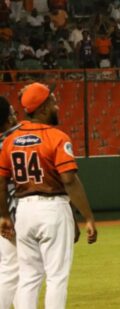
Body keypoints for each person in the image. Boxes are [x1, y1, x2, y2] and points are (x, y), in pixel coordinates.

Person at [0, 82, 98, 309]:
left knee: (28, 277)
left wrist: (4, 215)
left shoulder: (11, 140)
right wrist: (88, 217)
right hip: (52, 207)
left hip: (23, 211)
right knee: (56, 277)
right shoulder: (56, 136)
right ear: (42, 108)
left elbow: (2, 182)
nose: (57, 106)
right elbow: (69, 180)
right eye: (53, 102)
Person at [0, 96, 19, 309]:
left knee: (10, 269)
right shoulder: (9, 143)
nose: (16, 117)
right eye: (13, 113)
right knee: (17, 270)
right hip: (9, 213)